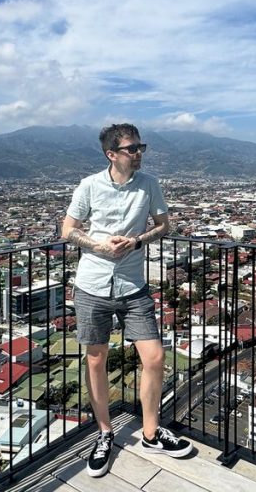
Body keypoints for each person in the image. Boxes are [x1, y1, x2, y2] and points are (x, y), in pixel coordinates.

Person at [61, 123, 192, 477]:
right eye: (132, 149)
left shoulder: (149, 184)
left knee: (155, 356)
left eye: (140, 147)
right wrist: (99, 245)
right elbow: (68, 229)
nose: (138, 153)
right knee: (95, 360)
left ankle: (150, 432)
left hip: (133, 285)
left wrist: (136, 241)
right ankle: (105, 433)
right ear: (111, 154)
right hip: (92, 285)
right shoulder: (89, 186)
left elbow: (163, 226)